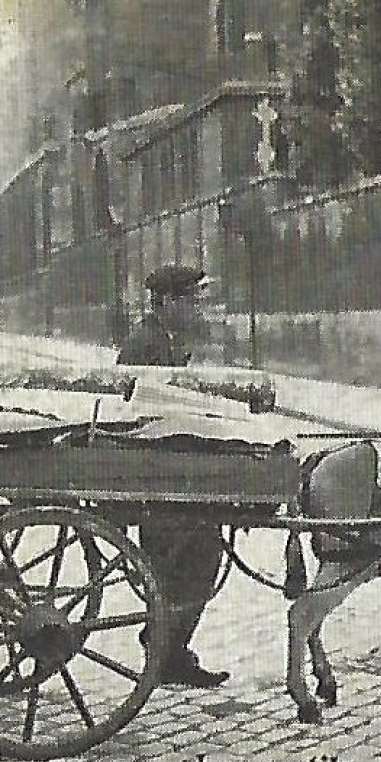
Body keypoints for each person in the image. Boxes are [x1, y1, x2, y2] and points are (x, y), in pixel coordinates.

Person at [117, 264, 230, 689]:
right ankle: (165, 649)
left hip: (168, 471)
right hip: (155, 477)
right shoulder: (144, 344)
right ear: (166, 303)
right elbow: (138, 410)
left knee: (198, 556)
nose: (197, 309)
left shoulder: (165, 339)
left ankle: (170, 649)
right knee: (192, 557)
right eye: (190, 301)